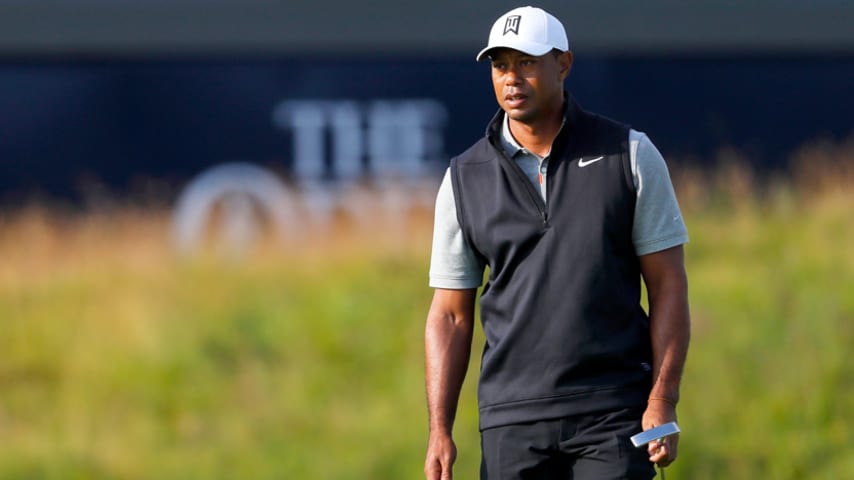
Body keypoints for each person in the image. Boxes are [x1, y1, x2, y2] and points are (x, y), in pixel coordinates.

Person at [423, 6, 691, 480]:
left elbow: (668, 285)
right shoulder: (464, 177)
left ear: (563, 64)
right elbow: (449, 314)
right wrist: (440, 430)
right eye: (500, 65)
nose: (511, 78)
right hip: (511, 421)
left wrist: (662, 400)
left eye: (527, 62)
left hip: (613, 412)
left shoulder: (628, 154)